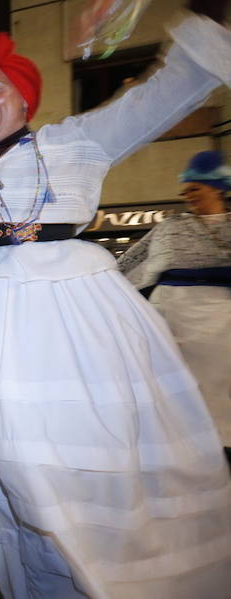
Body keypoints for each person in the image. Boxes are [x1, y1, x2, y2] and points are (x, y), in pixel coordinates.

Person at [0, 6, 231, 596]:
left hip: (66, 318)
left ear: (25, 98)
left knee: (81, 455)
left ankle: (114, 572)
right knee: (12, 465)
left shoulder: (75, 141)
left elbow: (165, 92)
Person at [118, 150, 231, 461]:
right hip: (171, 313)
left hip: (221, 318)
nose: (188, 196)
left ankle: (218, 445)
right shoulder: (171, 226)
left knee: (217, 385)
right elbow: (130, 261)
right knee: (173, 382)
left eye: (195, 188)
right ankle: (175, 444)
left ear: (217, 188)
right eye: (185, 191)